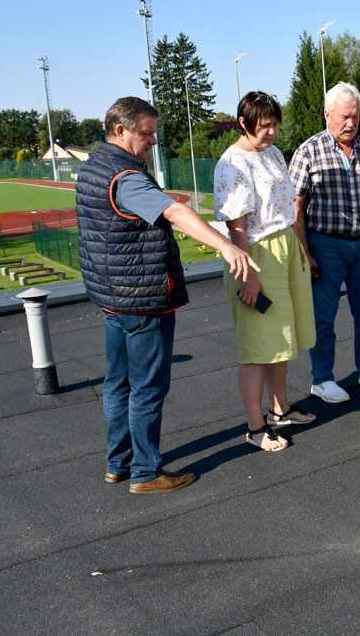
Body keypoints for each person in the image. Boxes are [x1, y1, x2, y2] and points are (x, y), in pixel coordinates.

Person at [77, 97, 259, 493]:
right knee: (147, 387)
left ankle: (118, 463)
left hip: (113, 296)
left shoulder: (93, 166)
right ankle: (145, 472)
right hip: (142, 297)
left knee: (118, 383)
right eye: (146, 133)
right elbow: (175, 213)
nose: (154, 140)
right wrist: (227, 246)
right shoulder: (125, 176)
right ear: (120, 131)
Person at [214, 92, 317, 452]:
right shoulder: (231, 163)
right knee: (258, 346)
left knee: (283, 337)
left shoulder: (272, 153)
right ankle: (255, 426)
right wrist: (249, 276)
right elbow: (236, 228)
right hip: (255, 253)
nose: (272, 132)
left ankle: (279, 409)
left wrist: (299, 248)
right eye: (264, 126)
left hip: (284, 246)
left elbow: (285, 206)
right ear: (243, 124)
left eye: (275, 125)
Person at [289, 82, 360, 403]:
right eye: (344, 117)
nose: (350, 124)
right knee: (323, 317)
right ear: (327, 115)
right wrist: (305, 252)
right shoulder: (308, 151)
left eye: (355, 117)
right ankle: (322, 378)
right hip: (325, 246)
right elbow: (295, 206)